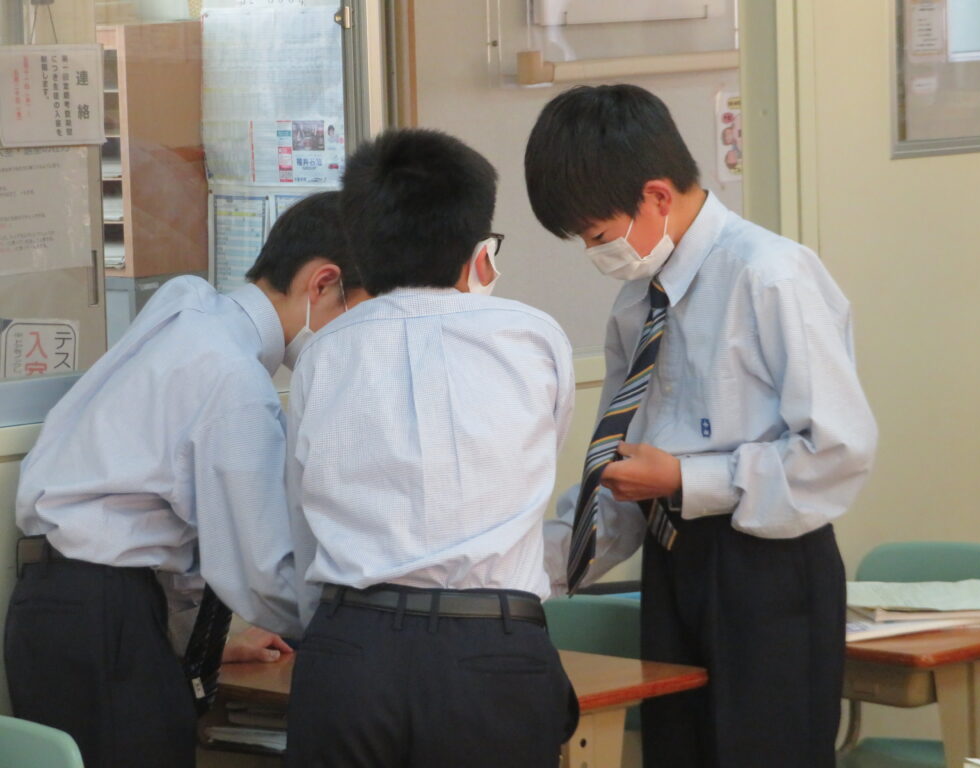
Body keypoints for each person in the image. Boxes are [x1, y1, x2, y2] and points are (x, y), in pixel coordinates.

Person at [526, 84, 878, 768]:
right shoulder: (638, 302)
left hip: (768, 568)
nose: (595, 252)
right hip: (672, 561)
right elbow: (622, 469)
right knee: (677, 752)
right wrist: (523, 570)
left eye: (597, 235)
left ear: (657, 196)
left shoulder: (771, 274)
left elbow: (838, 450)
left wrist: (690, 479)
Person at [5, 190, 369, 768]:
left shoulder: (189, 312)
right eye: (361, 315)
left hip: (57, 606)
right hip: (106, 615)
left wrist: (206, 637)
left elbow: (167, 515)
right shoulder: (234, 380)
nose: (361, 338)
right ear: (323, 283)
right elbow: (262, 569)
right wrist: (367, 633)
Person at [284, 129, 579, 768]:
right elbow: (541, 461)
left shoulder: (321, 354)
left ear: (360, 245)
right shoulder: (534, 338)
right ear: (479, 247)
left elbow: (302, 518)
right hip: (493, 647)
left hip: (349, 649)